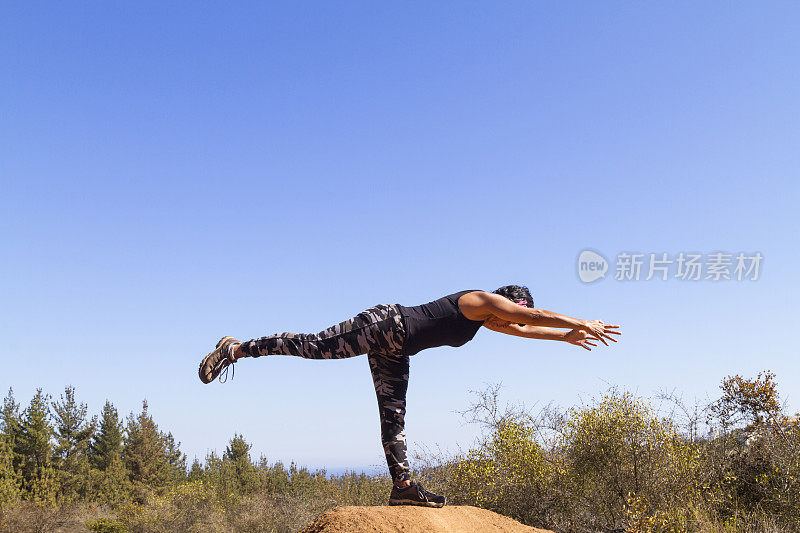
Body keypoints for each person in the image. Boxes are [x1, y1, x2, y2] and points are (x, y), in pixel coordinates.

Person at [198, 285, 621, 507]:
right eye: (511, 312)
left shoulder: (487, 321)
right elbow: (528, 318)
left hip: (397, 348)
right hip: (385, 324)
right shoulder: (480, 300)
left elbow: (526, 328)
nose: (507, 320)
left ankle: (402, 486)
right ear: (508, 301)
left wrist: (567, 336)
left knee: (393, 415)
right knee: (314, 345)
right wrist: (582, 320)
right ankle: (234, 350)